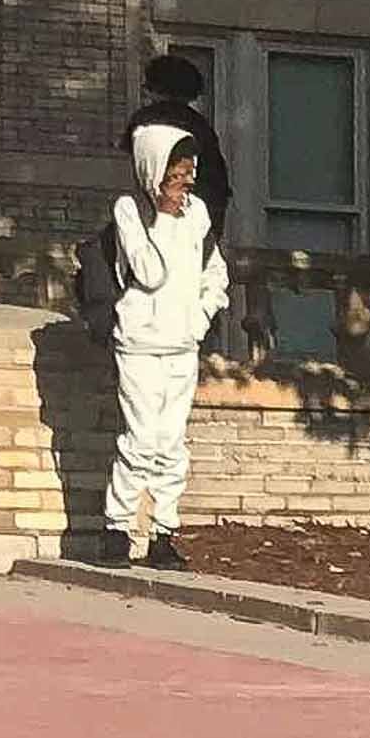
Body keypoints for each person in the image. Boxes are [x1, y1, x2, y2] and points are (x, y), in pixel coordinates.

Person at [98, 120, 227, 568]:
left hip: (181, 345)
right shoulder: (129, 211)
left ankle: (163, 533)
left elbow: (216, 274)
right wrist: (159, 214)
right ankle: (117, 529)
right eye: (176, 174)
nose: (186, 183)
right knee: (140, 439)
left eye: (190, 173)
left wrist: (200, 317)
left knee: (172, 443)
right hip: (139, 342)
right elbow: (150, 272)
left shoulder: (199, 214)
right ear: (154, 171)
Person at [123, 52, 236, 251]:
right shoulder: (200, 126)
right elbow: (217, 182)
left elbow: (128, 170)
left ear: (155, 88)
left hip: (152, 218)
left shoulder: (144, 120)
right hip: (198, 221)